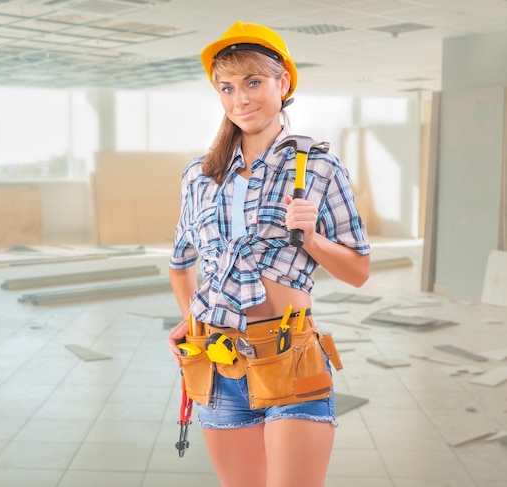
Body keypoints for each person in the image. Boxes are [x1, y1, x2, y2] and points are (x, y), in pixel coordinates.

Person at [166, 20, 370, 487]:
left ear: (284, 82)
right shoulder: (198, 175)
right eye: (228, 87)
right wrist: (190, 318)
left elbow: (359, 271)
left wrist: (313, 239)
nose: (242, 98)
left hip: (291, 358)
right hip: (218, 363)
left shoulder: (318, 167)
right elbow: (181, 262)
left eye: (254, 82)